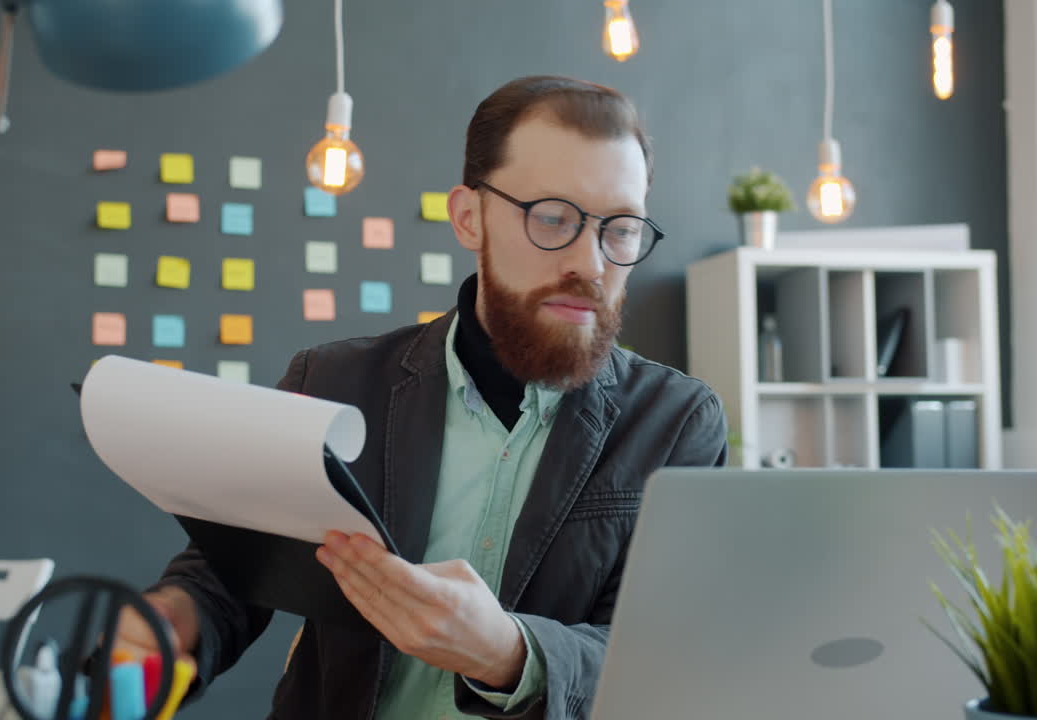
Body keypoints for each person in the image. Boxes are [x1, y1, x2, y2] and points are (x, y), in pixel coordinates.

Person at [115, 75, 727, 720]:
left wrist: (511, 654)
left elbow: (673, 653)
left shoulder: (678, 422)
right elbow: (229, 578)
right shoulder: (330, 382)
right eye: (552, 217)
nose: (592, 262)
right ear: (469, 217)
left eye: (621, 228)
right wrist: (171, 621)